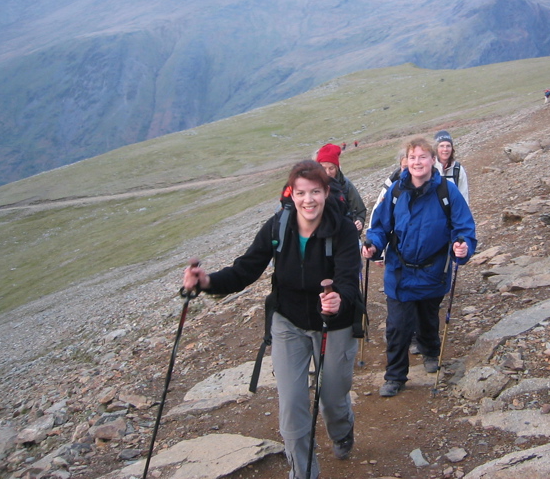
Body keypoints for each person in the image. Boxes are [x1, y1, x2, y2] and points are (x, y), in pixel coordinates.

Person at [182, 160, 361, 479]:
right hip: (288, 321)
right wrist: (206, 282)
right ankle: (304, 472)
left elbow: (348, 278)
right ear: (291, 195)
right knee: (292, 405)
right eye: (302, 192)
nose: (309, 200)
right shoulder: (278, 226)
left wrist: (340, 299)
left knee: (333, 397)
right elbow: (245, 269)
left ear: (326, 192)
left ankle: (342, 428)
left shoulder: (343, 228)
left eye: (316, 192)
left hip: (334, 324)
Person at [362, 136, 476, 397]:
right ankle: (395, 376)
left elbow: (464, 228)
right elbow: (379, 227)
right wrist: (373, 246)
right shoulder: (396, 192)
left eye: (422, 157)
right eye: (412, 157)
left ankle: (430, 351)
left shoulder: (447, 192)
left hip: (433, 270)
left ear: (433, 161)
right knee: (397, 326)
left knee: (427, 317)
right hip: (399, 272)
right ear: (406, 162)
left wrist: (463, 246)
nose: (417, 162)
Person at [316, 143, 368, 232]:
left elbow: (359, 210)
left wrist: (359, 221)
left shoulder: (346, 185)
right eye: (324, 168)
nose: (327, 172)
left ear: (337, 168)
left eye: (331, 168)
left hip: (343, 236)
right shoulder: (310, 186)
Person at [433, 130, 469, 205]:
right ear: (436, 149)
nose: (445, 149)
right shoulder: (430, 168)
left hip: (454, 212)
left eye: (448, 146)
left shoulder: (458, 169)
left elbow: (464, 196)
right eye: (441, 146)